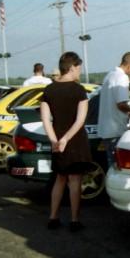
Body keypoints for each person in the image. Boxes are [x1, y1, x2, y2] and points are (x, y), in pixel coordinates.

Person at [40, 52, 92, 232]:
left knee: (60, 178)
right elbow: (80, 120)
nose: (79, 71)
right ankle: (74, 220)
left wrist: (54, 140)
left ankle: (53, 217)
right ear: (71, 67)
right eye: (78, 68)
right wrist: (65, 139)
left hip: (56, 138)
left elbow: (46, 120)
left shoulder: (49, 90)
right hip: (75, 140)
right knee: (75, 179)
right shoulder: (79, 90)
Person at [98, 52, 130, 170]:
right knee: (119, 169)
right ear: (129, 66)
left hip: (107, 130)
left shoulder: (110, 75)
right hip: (116, 130)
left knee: (112, 168)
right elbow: (121, 103)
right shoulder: (122, 77)